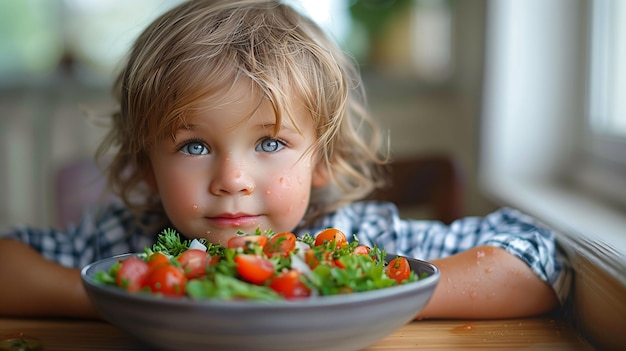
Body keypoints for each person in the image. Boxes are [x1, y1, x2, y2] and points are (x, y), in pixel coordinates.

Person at [0, 0, 569, 319]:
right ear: (148, 166)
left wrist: (368, 297)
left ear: (322, 160)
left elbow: (538, 259)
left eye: (270, 144)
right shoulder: (128, 241)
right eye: (193, 146)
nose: (232, 181)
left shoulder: (355, 242)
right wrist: (123, 297)